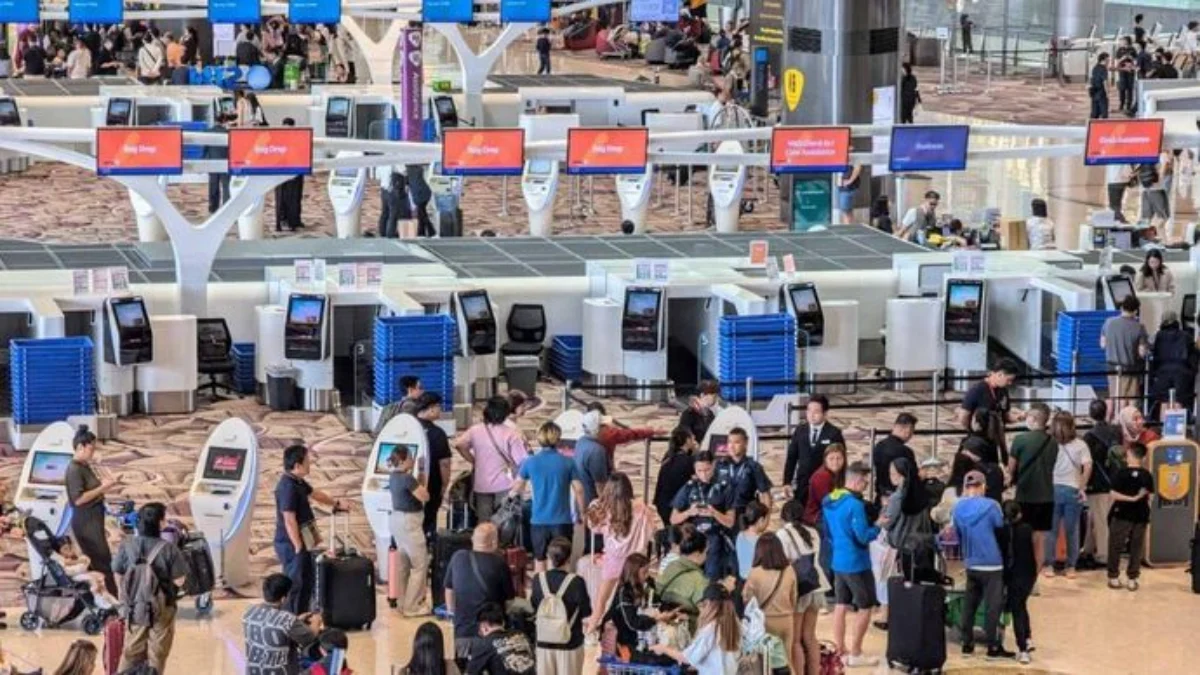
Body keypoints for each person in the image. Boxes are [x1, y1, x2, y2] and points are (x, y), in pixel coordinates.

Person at [113, 502, 190, 673]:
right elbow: (179, 580)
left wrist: (122, 594)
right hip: (162, 606)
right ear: (160, 523)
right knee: (157, 653)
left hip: (135, 606)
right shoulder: (169, 549)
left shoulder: (127, 545)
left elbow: (117, 571)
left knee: (131, 650)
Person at [274, 444, 345, 615]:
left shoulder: (297, 481)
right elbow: (289, 519)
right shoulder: (287, 487)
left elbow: (315, 494)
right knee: (296, 583)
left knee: (307, 580)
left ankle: (304, 616)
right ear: (297, 466)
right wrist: (298, 547)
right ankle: (293, 620)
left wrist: (336, 503)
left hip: (304, 538)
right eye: (307, 461)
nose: (310, 464)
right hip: (291, 543)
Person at [583, 472, 658, 634]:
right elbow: (652, 531)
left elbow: (593, 528)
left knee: (601, 601)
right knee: (631, 599)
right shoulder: (642, 510)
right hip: (633, 563)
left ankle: (591, 630)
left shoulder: (601, 510)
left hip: (612, 561)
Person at [822, 461, 881, 668]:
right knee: (865, 607)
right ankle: (855, 652)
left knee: (840, 605)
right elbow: (863, 537)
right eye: (864, 481)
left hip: (838, 559)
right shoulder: (855, 506)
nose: (865, 485)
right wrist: (879, 526)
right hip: (857, 563)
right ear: (855, 480)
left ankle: (841, 649)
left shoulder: (829, 499)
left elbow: (827, 531)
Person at [952, 471, 1015, 660]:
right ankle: (992, 646)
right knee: (992, 607)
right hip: (993, 562)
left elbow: (957, 533)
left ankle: (967, 644)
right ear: (983, 486)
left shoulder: (957, 508)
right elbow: (999, 527)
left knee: (969, 604)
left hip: (971, 561)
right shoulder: (992, 506)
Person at [511, 422, 585, 573]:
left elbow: (517, 488)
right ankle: (561, 592)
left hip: (538, 520)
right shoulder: (568, 462)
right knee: (562, 561)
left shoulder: (529, 462)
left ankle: (540, 592)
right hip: (562, 520)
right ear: (558, 439)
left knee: (540, 559)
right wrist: (582, 513)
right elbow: (579, 489)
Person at [445, 523, 516, 662]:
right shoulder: (499, 563)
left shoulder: (457, 557)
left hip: (462, 634)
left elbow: (449, 590)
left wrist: (453, 615)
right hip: (490, 636)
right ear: (494, 542)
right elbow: (510, 602)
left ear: (473, 540)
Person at [454, 396, 528, 522]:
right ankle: (501, 542)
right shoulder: (511, 434)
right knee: (505, 522)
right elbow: (522, 462)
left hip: (481, 484)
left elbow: (459, 445)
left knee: (484, 523)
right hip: (505, 485)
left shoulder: (475, 430)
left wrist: (474, 460)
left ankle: (486, 541)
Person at [64, 425, 117, 596]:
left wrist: (104, 480)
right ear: (80, 447)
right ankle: (111, 599)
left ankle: (108, 598)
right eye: (91, 449)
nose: (93, 452)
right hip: (86, 521)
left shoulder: (84, 465)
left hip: (94, 518)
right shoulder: (74, 470)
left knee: (102, 560)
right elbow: (78, 499)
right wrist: (103, 488)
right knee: (101, 561)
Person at [1006, 403, 1056, 576]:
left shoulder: (1020, 440)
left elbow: (1011, 469)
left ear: (1033, 419)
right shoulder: (1053, 442)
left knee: (1022, 538)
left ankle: (1021, 575)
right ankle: (1034, 578)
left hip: (1025, 495)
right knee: (1039, 539)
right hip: (1047, 495)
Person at [670, 451, 736, 579]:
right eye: (699, 470)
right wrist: (689, 512)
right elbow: (673, 519)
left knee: (711, 577)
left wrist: (715, 513)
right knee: (689, 577)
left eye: (707, 470)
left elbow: (730, 521)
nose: (703, 475)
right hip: (692, 539)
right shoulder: (689, 487)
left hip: (714, 538)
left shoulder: (724, 488)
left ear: (714, 465)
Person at [529, 538, 591, 674]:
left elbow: (534, 606)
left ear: (548, 557)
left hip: (543, 642)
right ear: (569, 558)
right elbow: (587, 612)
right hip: (570, 643)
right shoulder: (577, 582)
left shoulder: (537, 580)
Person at [649, 584, 741, 675]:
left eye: (703, 605)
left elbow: (686, 658)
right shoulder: (736, 624)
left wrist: (663, 648)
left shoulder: (711, 628)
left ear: (708, 603)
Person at [243, 573, 322, 675]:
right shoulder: (287, 620)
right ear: (284, 598)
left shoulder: (249, 612)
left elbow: (272, 625)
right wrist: (317, 621)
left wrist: (297, 620)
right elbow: (310, 637)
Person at [1044, 413, 1091, 579]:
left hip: (1052, 489)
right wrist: (1082, 486)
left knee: (1051, 531)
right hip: (1073, 489)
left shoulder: (1049, 443)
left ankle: (1049, 565)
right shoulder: (1080, 445)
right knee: (1072, 530)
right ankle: (1071, 566)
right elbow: (1087, 467)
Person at [742, 534, 798, 672]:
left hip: (764, 622)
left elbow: (747, 600)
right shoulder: (789, 570)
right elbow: (794, 597)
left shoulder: (754, 573)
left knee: (766, 663)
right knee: (787, 660)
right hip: (786, 620)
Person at [387, 445, 431, 616]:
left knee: (404, 564)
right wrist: (421, 474)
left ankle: (402, 601)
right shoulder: (407, 479)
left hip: (396, 520)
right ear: (404, 459)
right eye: (411, 457)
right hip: (409, 522)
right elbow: (425, 496)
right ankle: (412, 606)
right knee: (420, 564)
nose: (412, 460)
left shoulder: (393, 477)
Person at [1106, 443, 1154, 591]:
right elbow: (1150, 496)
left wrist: (1129, 499)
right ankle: (1132, 578)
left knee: (1115, 545)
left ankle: (1113, 576)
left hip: (1121, 513)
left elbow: (1113, 494)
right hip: (1141, 514)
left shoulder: (1121, 473)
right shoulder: (1147, 475)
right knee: (1136, 546)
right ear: (1144, 457)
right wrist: (1137, 499)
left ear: (1129, 455)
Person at [785, 394, 845, 505]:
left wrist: (839, 485)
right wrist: (787, 481)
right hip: (803, 483)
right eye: (809, 411)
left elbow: (841, 462)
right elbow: (791, 457)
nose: (811, 415)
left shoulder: (834, 433)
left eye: (816, 412)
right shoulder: (800, 431)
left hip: (826, 484)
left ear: (825, 414)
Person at [1081, 399, 1119, 568]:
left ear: (1090, 414)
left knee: (1100, 519)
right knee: (1094, 518)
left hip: (1096, 483)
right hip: (1113, 480)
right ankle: (1088, 549)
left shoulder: (1089, 436)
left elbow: (1087, 463)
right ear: (1106, 412)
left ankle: (1103, 554)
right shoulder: (1115, 432)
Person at [1100, 295, 1148, 417]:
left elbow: (1103, 344)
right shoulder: (1139, 327)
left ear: (1122, 307)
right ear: (1136, 310)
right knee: (1130, 400)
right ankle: (1125, 424)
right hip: (1130, 369)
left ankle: (1110, 421)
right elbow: (1142, 352)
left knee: (1114, 396)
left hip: (1111, 368)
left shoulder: (1108, 322)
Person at [1001, 501, 1037, 665]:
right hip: (1029, 574)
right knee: (1022, 606)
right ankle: (1028, 638)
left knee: (1017, 610)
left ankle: (1022, 649)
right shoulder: (1027, 529)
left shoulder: (1002, 532)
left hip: (1012, 575)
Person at [414, 392, 454, 539]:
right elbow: (444, 463)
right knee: (429, 519)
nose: (440, 410)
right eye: (438, 407)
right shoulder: (437, 434)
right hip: (431, 484)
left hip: (407, 484)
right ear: (430, 409)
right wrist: (445, 485)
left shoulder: (408, 427)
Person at [1149, 311, 1197, 424]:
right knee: (1179, 401)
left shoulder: (1158, 336)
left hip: (1163, 372)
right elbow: (1193, 356)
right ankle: (1178, 430)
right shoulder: (1186, 336)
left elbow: (1153, 353)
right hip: (1182, 372)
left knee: (1164, 401)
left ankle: (1162, 428)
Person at [465, 602, 536, 675]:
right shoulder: (521, 634)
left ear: (484, 626)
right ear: (503, 622)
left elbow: (470, 673)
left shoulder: (484, 644)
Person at [715, 426, 772, 516]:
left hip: (745, 516)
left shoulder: (754, 467)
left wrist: (765, 520)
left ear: (745, 443)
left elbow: (765, 495)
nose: (732, 446)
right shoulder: (719, 465)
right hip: (724, 516)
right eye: (729, 442)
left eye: (737, 442)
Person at [657, 524, 712, 617]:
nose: (707, 556)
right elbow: (705, 612)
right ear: (698, 553)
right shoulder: (697, 579)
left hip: (665, 621)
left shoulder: (671, 565)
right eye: (706, 552)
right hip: (686, 626)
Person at [49, 538, 117, 609]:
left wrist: (79, 558)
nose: (69, 550)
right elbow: (67, 563)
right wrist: (78, 561)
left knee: (101, 576)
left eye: (70, 547)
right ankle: (99, 600)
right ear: (60, 553)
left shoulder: (75, 556)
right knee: (93, 580)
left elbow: (85, 560)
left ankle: (107, 596)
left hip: (84, 572)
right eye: (65, 549)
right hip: (75, 576)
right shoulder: (62, 560)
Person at [956, 358, 1022, 429]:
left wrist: (1020, 419)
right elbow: (963, 417)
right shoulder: (976, 390)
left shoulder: (1003, 391)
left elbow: (1006, 415)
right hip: (981, 433)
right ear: (999, 375)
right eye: (1008, 380)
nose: (1010, 383)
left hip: (996, 433)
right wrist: (973, 432)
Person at [654, 426, 698, 527]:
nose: (694, 438)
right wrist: (697, 452)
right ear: (687, 440)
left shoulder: (667, 458)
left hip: (662, 505)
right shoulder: (689, 461)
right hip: (678, 508)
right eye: (692, 437)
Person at [871, 413, 917, 504]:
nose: (911, 435)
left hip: (881, 497)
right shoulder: (905, 451)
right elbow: (912, 478)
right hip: (899, 499)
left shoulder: (879, 446)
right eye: (912, 431)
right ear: (907, 429)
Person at [574, 410, 612, 513]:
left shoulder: (581, 442)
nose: (607, 429)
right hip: (595, 507)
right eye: (604, 426)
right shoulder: (597, 451)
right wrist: (606, 509)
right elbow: (600, 485)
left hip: (583, 502)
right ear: (597, 430)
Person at [274, 117, 306, 231]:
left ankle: (295, 220)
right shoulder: (277, 139)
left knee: (296, 197)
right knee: (282, 198)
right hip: (282, 171)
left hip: (296, 170)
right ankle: (283, 220)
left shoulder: (298, 138)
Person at [804, 443, 846, 526]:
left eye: (839, 458)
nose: (835, 462)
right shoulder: (822, 476)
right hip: (817, 516)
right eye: (831, 459)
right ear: (825, 460)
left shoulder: (839, 474)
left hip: (830, 511)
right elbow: (827, 502)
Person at [735, 500, 770, 580]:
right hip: (756, 581)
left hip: (743, 579)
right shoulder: (761, 541)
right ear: (761, 520)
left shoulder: (740, 535)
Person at [1115, 36, 1138, 115]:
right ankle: (1121, 104)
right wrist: (1123, 58)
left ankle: (1129, 105)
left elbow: (1136, 61)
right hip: (1122, 71)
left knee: (1130, 88)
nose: (1122, 42)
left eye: (1124, 40)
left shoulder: (1133, 50)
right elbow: (1117, 61)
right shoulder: (1120, 50)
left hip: (1130, 71)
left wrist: (1130, 58)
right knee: (1122, 88)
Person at [1089, 52, 1110, 119]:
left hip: (1094, 92)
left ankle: (1093, 127)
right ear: (1104, 60)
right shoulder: (1103, 69)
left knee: (1094, 113)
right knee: (1104, 113)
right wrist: (1107, 93)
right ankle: (1104, 127)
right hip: (1101, 93)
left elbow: (1091, 79)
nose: (1108, 61)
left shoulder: (1095, 67)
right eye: (1108, 60)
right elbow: (1105, 82)